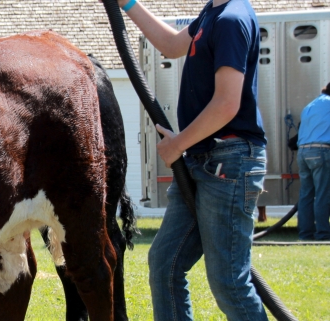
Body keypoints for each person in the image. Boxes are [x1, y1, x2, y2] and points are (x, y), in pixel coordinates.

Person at [113, 0, 268, 319]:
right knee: (164, 263)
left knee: (229, 283)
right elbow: (171, 45)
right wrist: (126, 4)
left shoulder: (231, 19)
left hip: (229, 161)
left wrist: (177, 144)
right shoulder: (213, 13)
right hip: (204, 161)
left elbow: (227, 104)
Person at [295, 83, 330, 241]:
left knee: (306, 195)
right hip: (321, 151)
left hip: (303, 152)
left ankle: (305, 234)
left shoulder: (310, 105)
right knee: (323, 194)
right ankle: (323, 234)